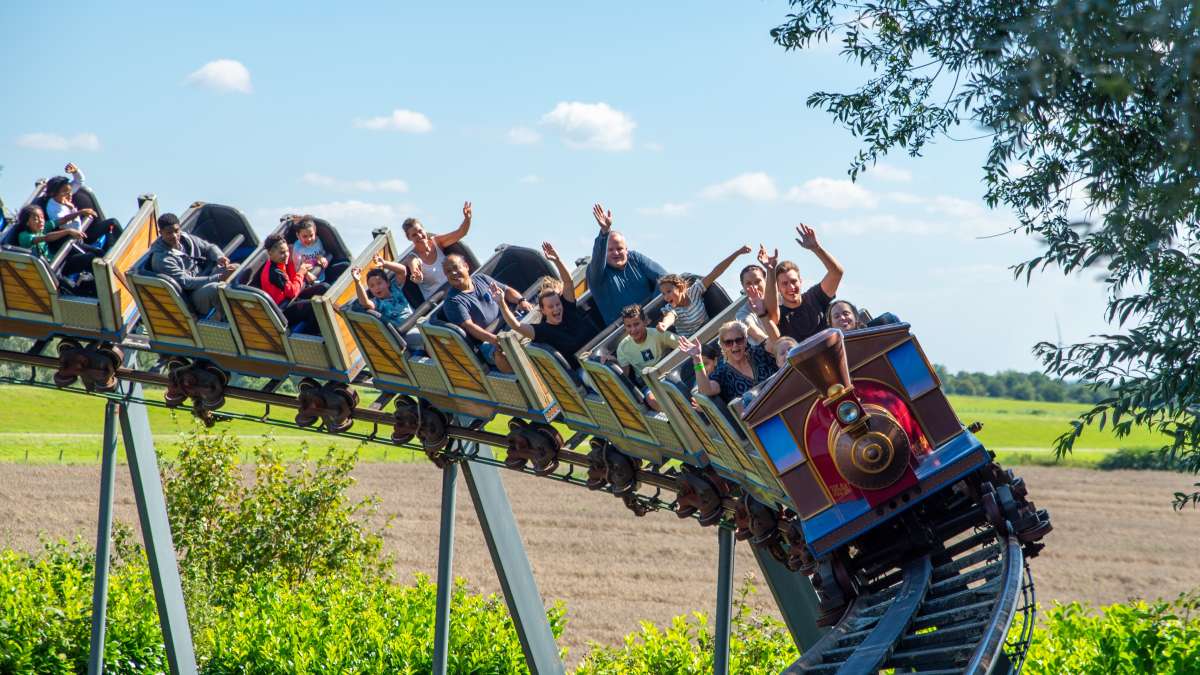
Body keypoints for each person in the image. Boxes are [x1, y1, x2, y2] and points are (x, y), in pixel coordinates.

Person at [493, 242, 594, 371]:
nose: (556, 309)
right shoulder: (542, 330)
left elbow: (568, 282)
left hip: (595, 355)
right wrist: (501, 302)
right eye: (551, 307)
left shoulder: (568, 308)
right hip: (582, 370)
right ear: (543, 310)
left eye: (557, 304)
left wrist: (557, 260)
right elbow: (515, 325)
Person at [441, 252, 531, 372]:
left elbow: (506, 290)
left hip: (510, 321)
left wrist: (521, 301)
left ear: (466, 266)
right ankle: (520, 377)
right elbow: (470, 327)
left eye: (456, 267)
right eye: (448, 271)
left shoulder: (481, 279)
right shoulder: (453, 301)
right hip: (488, 340)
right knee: (502, 354)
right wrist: (496, 340)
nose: (453, 273)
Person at [586, 203, 668, 325]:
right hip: (625, 333)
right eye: (610, 250)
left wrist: (651, 311)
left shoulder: (634, 258)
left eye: (619, 248)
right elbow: (597, 260)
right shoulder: (597, 276)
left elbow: (664, 278)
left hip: (653, 319)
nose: (616, 252)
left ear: (626, 250)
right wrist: (604, 232)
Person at [150, 213, 238, 318]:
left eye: (176, 231)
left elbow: (209, 247)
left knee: (236, 268)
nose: (174, 236)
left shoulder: (186, 239)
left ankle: (241, 307)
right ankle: (225, 319)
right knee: (214, 288)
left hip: (204, 276)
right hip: (191, 296)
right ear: (161, 233)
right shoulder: (162, 259)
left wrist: (219, 257)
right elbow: (186, 282)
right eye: (169, 233)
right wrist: (219, 277)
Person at [766, 224, 844, 342]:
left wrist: (816, 248)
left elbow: (836, 273)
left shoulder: (814, 296)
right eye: (784, 283)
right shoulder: (779, 314)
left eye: (794, 281)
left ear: (800, 281)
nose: (791, 287)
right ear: (778, 288)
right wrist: (770, 270)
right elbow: (770, 316)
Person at [657, 244, 752, 337]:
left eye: (669, 291)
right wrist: (664, 324)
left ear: (680, 288)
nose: (666, 297)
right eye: (663, 294)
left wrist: (737, 253)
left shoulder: (694, 292)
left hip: (710, 333)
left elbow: (715, 272)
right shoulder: (671, 309)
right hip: (691, 344)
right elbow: (670, 316)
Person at [685, 320, 780, 405]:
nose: (735, 345)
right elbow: (707, 390)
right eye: (728, 342)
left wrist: (763, 315)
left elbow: (778, 343)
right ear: (722, 345)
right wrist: (697, 360)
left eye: (739, 340)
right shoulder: (721, 373)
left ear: (745, 340)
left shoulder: (759, 353)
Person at [612, 303, 682, 412]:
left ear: (645, 322)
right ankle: (677, 414)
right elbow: (625, 375)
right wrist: (612, 361)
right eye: (629, 326)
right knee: (651, 400)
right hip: (648, 383)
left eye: (636, 324)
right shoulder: (623, 347)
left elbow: (681, 345)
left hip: (667, 374)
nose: (633, 330)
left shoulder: (657, 334)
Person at [14, 204, 95, 294]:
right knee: (74, 290)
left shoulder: (42, 229)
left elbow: (63, 220)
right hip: (49, 272)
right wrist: (68, 231)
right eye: (36, 219)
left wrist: (81, 212)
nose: (40, 221)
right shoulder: (24, 236)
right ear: (27, 223)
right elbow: (46, 238)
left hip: (59, 262)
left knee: (90, 258)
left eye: (42, 217)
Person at [349, 256, 424, 351]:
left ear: (388, 283)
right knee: (424, 338)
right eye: (372, 286)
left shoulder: (395, 288)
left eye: (379, 283)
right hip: (406, 333)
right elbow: (364, 303)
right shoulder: (377, 303)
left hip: (418, 322)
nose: (376, 288)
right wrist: (357, 282)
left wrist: (385, 263)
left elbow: (402, 271)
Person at [41, 164, 122, 251]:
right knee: (99, 253)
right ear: (54, 193)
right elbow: (65, 223)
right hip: (74, 240)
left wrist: (75, 171)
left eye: (70, 191)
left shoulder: (66, 194)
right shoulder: (52, 208)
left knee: (113, 222)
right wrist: (77, 211)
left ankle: (122, 245)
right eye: (65, 192)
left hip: (83, 231)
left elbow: (79, 181)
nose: (70, 194)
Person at [403, 201, 472, 300]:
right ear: (409, 238)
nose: (419, 236)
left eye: (420, 231)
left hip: (456, 288)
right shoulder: (413, 257)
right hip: (439, 300)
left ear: (424, 230)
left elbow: (460, 233)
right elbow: (415, 269)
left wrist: (467, 219)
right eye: (414, 235)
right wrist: (417, 276)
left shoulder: (437, 242)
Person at [259, 233, 327, 333]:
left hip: (290, 299)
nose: (286, 254)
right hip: (283, 310)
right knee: (313, 307)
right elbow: (292, 292)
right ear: (270, 253)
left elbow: (292, 279)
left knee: (324, 288)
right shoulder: (274, 272)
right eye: (282, 252)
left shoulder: (279, 262)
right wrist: (301, 272)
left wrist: (305, 272)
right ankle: (312, 335)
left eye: (287, 251)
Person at [288, 215, 348, 284]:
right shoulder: (297, 248)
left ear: (315, 231)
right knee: (325, 286)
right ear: (298, 236)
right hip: (309, 280)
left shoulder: (317, 241)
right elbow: (297, 267)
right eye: (305, 236)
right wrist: (306, 274)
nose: (309, 239)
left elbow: (322, 253)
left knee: (345, 265)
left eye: (311, 235)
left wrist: (321, 257)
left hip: (322, 272)